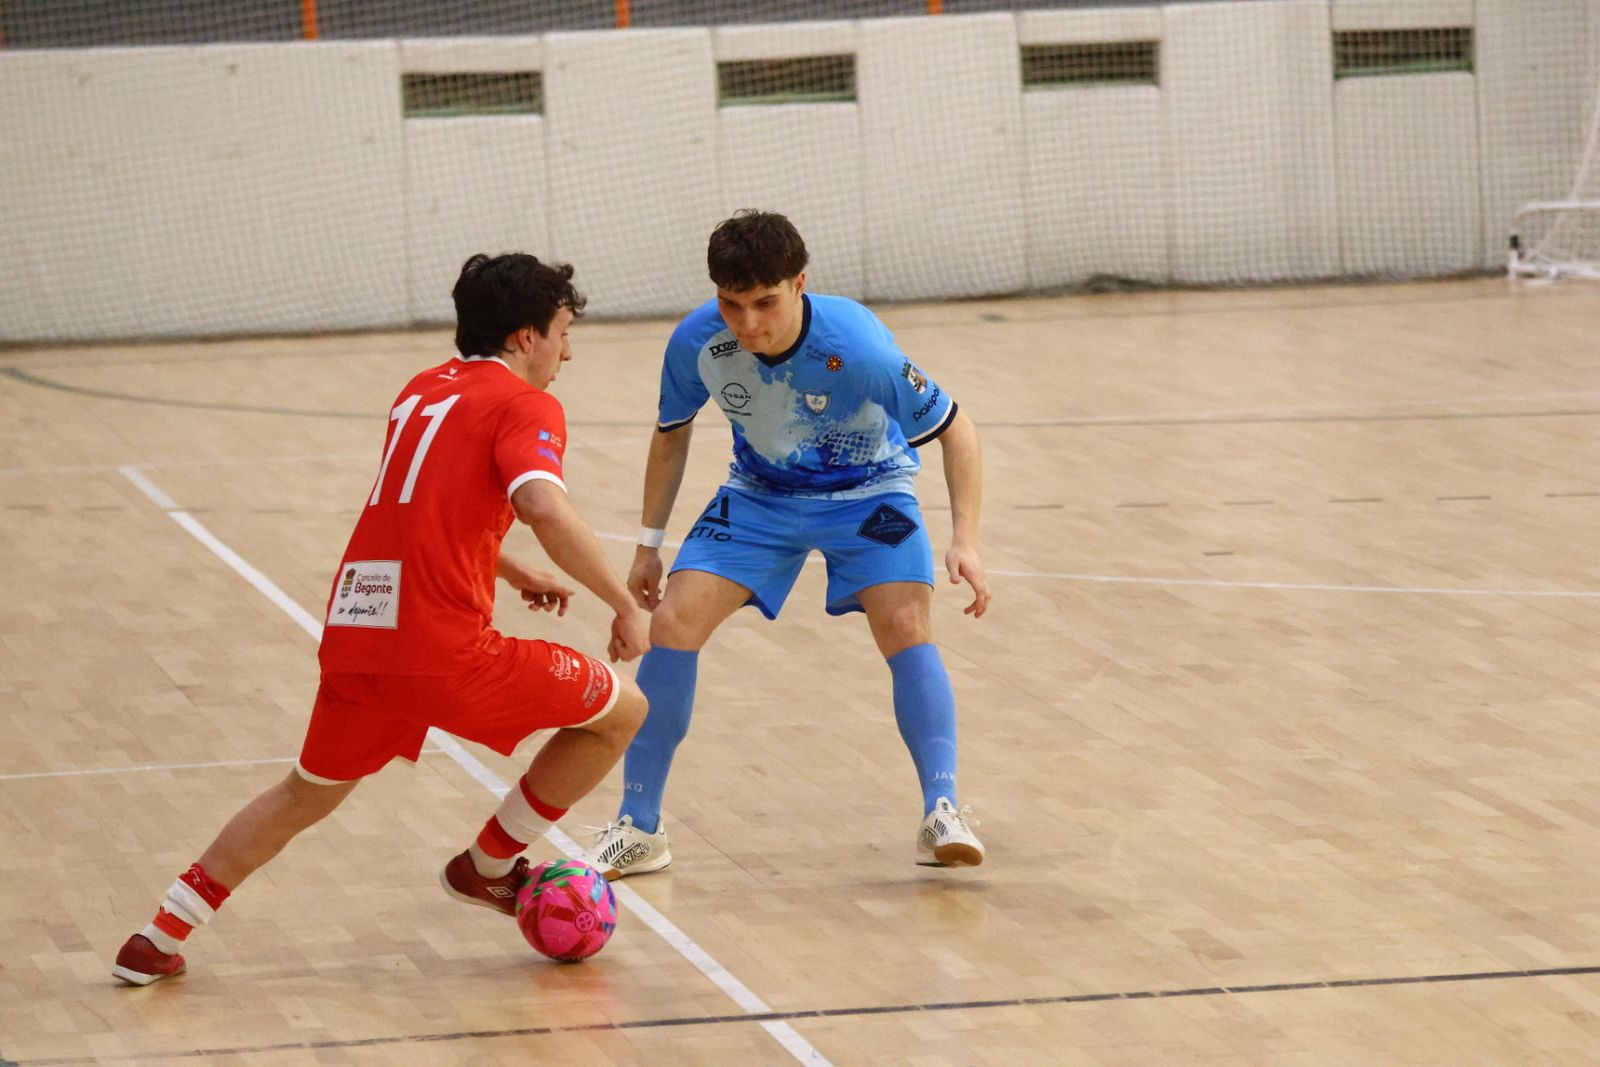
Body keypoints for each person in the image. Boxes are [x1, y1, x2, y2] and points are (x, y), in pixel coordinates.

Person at [112, 253, 651, 986]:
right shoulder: (527, 403)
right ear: (526, 336)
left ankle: (159, 932)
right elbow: (542, 505)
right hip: (446, 649)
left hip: (359, 634)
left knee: (305, 791)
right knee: (624, 710)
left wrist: (507, 565)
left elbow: (418, 509)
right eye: (562, 330)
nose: (568, 349)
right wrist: (623, 602)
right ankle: (489, 865)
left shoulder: (422, 390)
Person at [580, 210, 990, 879]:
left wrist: (965, 538)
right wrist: (648, 544)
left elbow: (956, 427)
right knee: (672, 622)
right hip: (759, 496)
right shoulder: (697, 343)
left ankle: (942, 809)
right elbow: (672, 432)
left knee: (907, 621)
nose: (747, 324)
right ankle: (640, 825)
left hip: (870, 494)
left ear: (801, 283)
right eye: (731, 304)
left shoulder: (858, 346)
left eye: (765, 302)